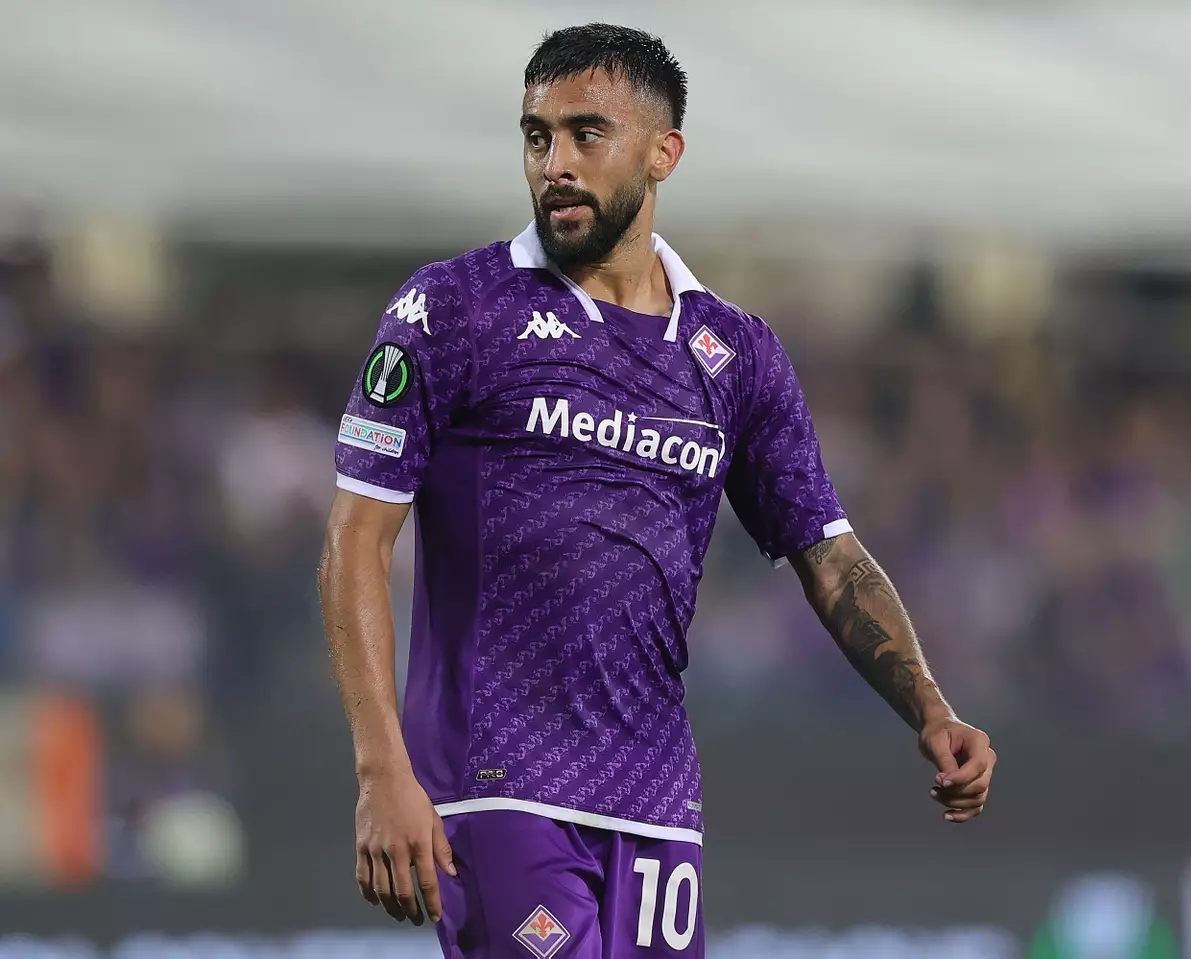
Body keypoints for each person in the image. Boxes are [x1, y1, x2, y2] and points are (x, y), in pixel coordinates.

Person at [318, 22, 995, 959]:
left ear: (663, 152)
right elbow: (354, 539)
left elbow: (830, 555)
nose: (555, 163)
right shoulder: (453, 311)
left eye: (586, 134)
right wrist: (380, 768)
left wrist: (930, 706)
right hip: (494, 783)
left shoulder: (734, 354)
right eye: (536, 136)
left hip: (655, 802)